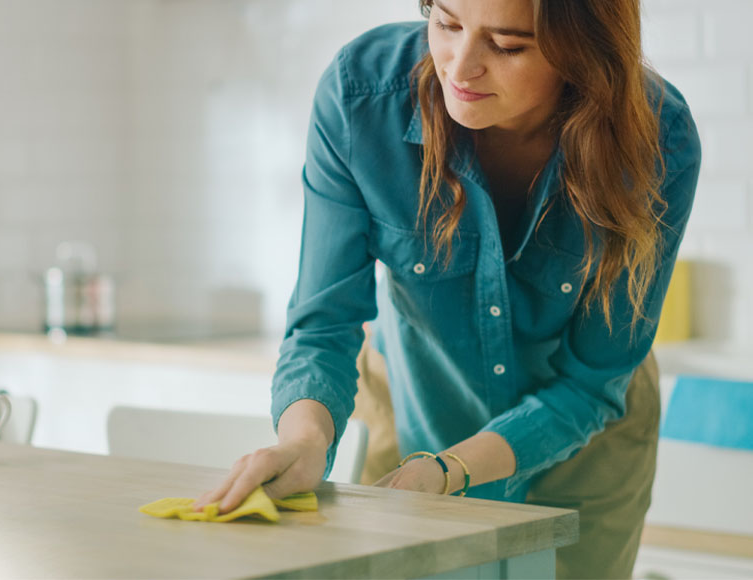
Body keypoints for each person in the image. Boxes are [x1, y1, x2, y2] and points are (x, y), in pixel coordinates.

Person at [193, 0, 701, 577]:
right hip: (414, 402)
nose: (459, 68)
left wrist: (454, 468)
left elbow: (590, 382)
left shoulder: (660, 139)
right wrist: (305, 441)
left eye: (508, 46)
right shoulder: (361, 98)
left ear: (584, 53)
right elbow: (325, 322)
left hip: (586, 431)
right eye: (446, 24)